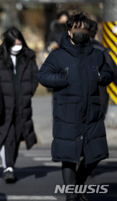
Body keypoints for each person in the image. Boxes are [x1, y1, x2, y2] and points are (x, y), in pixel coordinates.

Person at [39, 12, 114, 201]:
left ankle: (78, 186)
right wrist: (60, 79)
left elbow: (109, 72)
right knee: (69, 156)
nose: (81, 32)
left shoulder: (96, 54)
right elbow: (43, 76)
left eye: (84, 29)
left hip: (92, 113)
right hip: (67, 113)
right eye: (77, 28)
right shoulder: (58, 56)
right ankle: (71, 195)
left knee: (95, 155)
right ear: (69, 31)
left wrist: (101, 77)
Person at [0, 27, 38, 183]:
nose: (17, 45)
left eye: (19, 42)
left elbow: (35, 77)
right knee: (7, 136)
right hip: (4, 106)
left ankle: (10, 165)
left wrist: (29, 92)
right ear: (7, 44)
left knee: (16, 136)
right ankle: (8, 167)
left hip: (22, 105)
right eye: (14, 43)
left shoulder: (28, 57)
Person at [88, 19, 117, 115]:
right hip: (99, 100)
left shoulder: (70, 52)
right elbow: (113, 73)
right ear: (96, 34)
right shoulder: (104, 53)